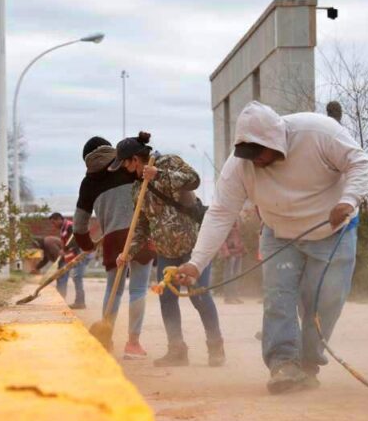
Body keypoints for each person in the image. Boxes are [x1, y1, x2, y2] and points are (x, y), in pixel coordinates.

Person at [177, 101, 368, 394]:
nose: (254, 160)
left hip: (334, 230)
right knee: (278, 298)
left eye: (259, 153)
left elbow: (359, 162)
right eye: (248, 154)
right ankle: (283, 364)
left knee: (325, 301)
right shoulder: (239, 165)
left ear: (276, 139)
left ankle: (308, 364)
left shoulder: (318, 133)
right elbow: (220, 213)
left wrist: (348, 199)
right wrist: (196, 263)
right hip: (279, 233)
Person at [113, 132, 225, 367]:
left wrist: (159, 175)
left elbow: (193, 179)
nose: (124, 169)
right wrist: (128, 253)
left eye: (124, 163)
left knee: (200, 296)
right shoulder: (137, 189)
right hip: (165, 251)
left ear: (135, 159)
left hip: (193, 247)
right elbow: (141, 227)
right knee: (167, 300)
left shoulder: (169, 162)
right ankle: (177, 350)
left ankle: (216, 348)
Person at [72, 136, 154, 359]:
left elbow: (79, 225)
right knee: (137, 289)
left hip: (113, 240)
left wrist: (87, 246)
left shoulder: (88, 183)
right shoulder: (127, 165)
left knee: (114, 290)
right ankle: (133, 344)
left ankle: (105, 340)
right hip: (142, 232)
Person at [32, 211, 89, 309]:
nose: (53, 225)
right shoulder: (63, 229)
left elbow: (76, 240)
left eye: (53, 223)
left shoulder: (70, 226)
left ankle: (79, 302)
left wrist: (64, 251)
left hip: (80, 255)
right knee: (63, 277)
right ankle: (60, 301)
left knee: (76, 278)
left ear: (59, 219)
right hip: (72, 256)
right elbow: (49, 257)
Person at [218, 219, 246, 304]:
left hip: (238, 252)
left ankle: (235, 296)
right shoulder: (225, 220)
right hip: (230, 252)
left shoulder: (237, 219)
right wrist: (225, 251)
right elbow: (221, 238)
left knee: (237, 275)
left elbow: (240, 236)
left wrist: (242, 248)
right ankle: (228, 297)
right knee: (229, 276)